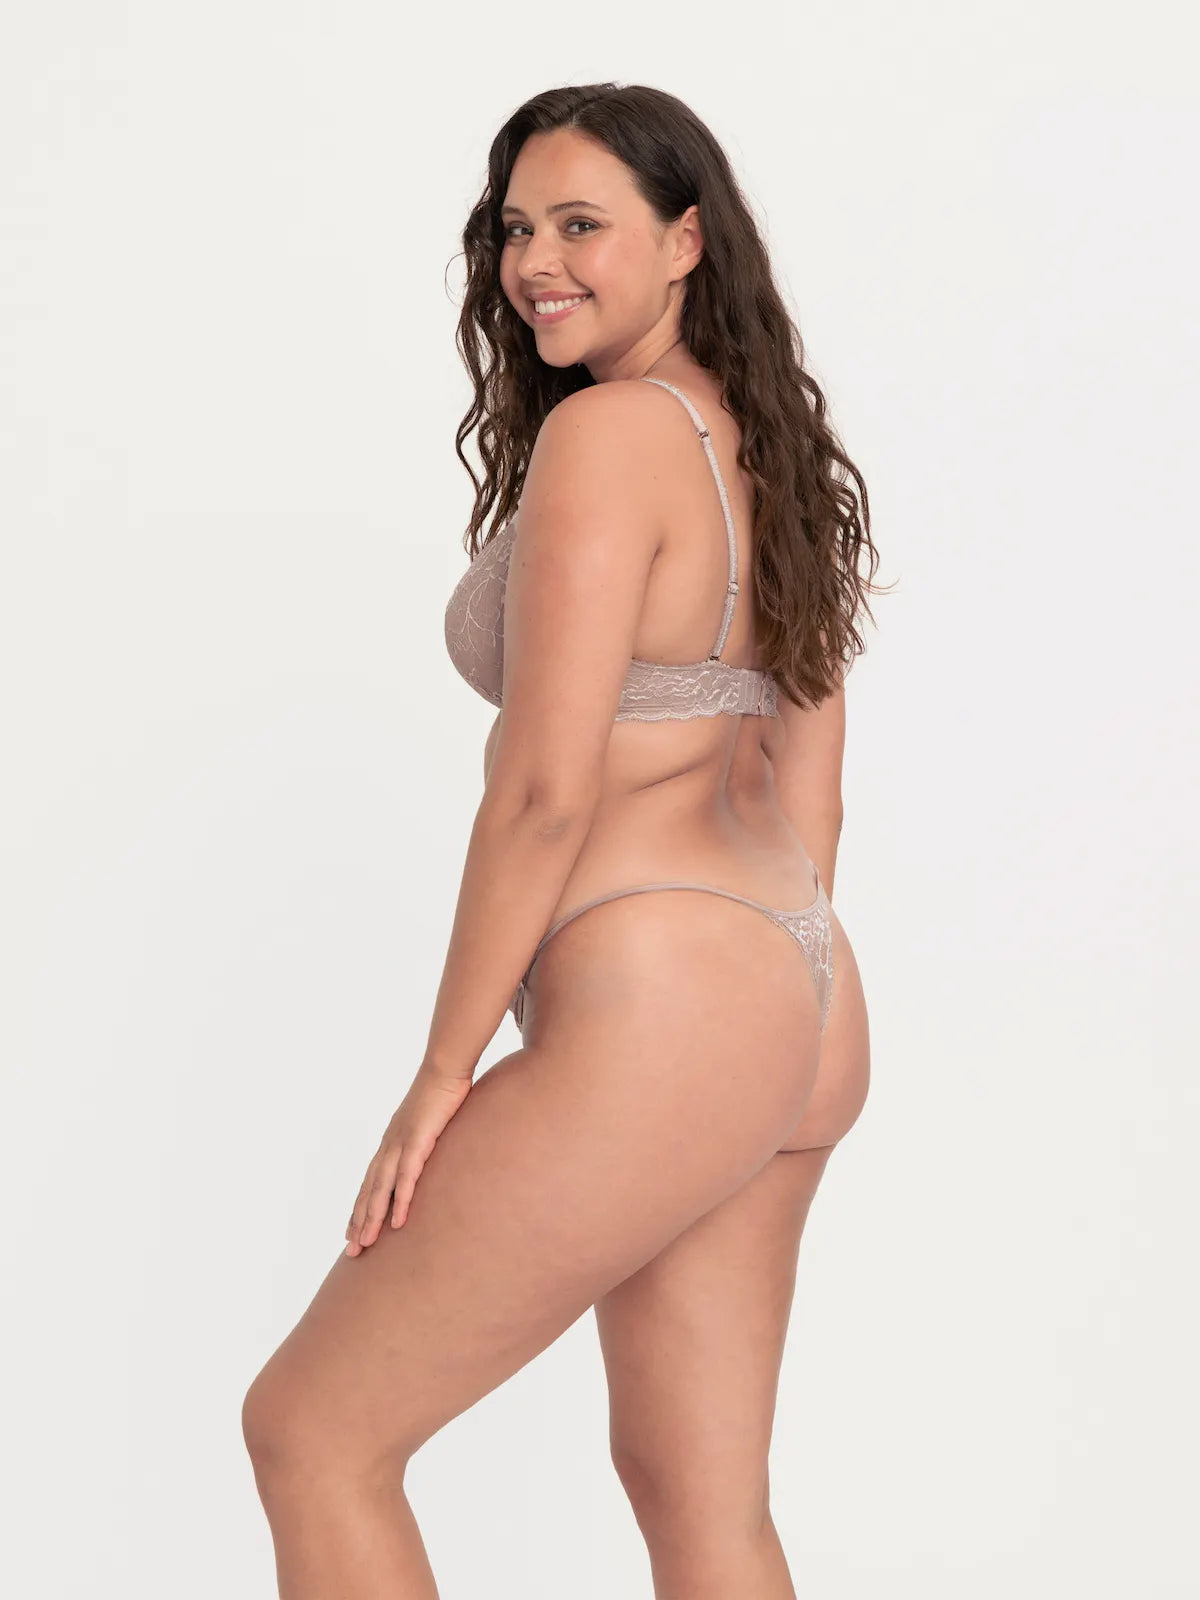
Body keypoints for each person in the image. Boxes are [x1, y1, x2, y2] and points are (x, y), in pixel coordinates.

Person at [242, 80, 885, 1599]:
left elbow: (544, 790)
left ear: (685, 240)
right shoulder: (769, 445)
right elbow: (814, 785)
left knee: (314, 1435)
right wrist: (761, 1014)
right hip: (798, 994)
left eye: (582, 224)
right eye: (517, 228)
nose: (537, 262)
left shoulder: (608, 436)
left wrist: (443, 1075)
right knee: (702, 1504)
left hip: (665, 1005)